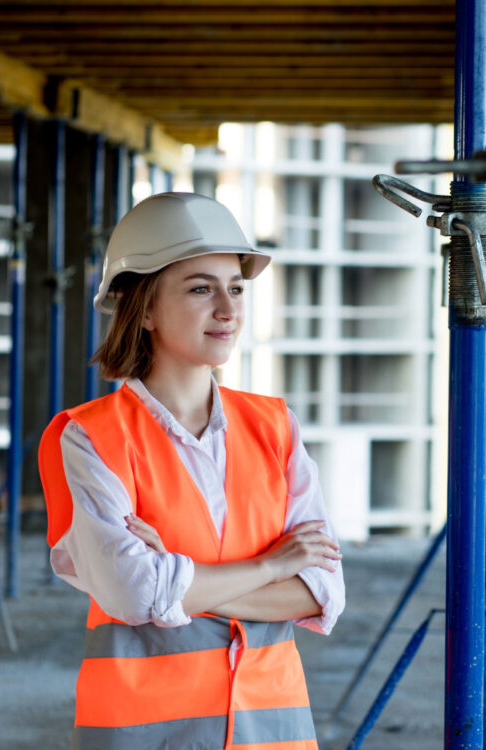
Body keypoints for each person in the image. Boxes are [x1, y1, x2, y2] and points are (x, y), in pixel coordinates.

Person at [38, 192, 345, 750]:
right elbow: (132, 595)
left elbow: (321, 591)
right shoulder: (91, 438)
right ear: (145, 308)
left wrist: (177, 580)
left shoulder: (275, 427)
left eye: (235, 288)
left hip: (269, 734)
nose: (228, 310)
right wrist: (272, 565)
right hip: (145, 734)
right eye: (201, 288)